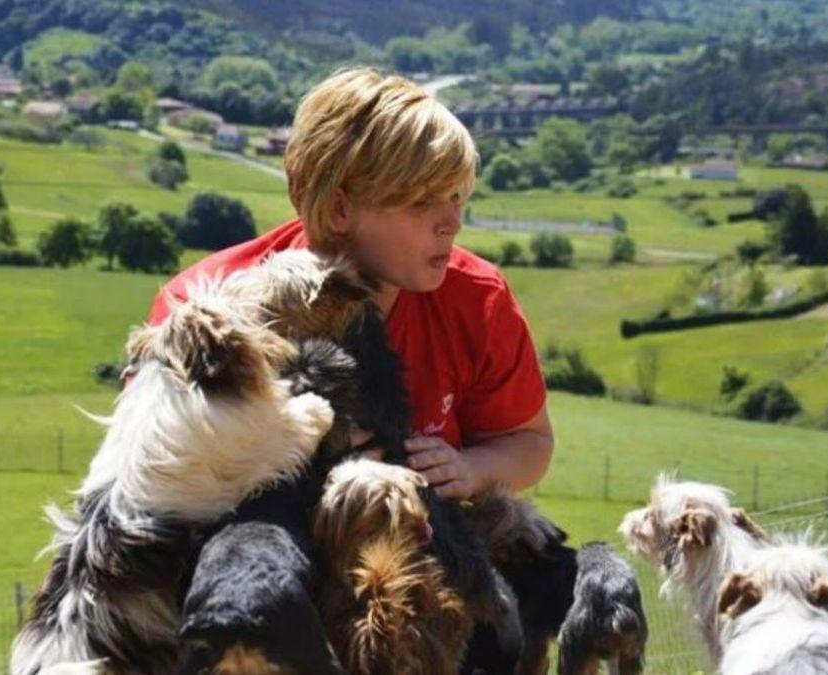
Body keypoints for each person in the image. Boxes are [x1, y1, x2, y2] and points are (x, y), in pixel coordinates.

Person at [145, 68, 552, 500]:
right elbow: (155, 468)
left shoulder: (477, 298)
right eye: (421, 203)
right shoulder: (205, 318)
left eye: (456, 197)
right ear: (340, 208)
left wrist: (472, 469)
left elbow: (530, 442)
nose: (452, 223)